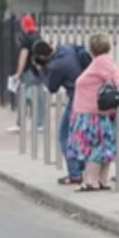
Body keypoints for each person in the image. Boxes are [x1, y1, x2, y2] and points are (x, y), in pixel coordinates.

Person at [67, 33, 119, 191]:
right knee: (103, 147)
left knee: (94, 147)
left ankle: (91, 181)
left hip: (92, 113)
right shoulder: (103, 62)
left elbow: (117, 79)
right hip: (95, 112)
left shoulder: (101, 62)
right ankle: (102, 180)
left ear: (92, 48)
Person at [31, 39, 90, 185]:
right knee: (81, 134)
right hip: (88, 93)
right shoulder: (66, 48)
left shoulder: (55, 66)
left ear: (42, 56)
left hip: (77, 99)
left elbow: (52, 87)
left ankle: (74, 173)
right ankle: (82, 167)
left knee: (65, 135)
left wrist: (41, 70)